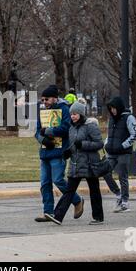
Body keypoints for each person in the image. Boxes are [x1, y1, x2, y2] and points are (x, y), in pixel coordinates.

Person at [45, 102, 105, 225]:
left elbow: (99, 144)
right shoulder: (71, 128)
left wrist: (83, 144)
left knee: (94, 190)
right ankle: (58, 216)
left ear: (81, 114)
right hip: (76, 164)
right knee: (69, 191)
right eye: (71, 114)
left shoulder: (90, 126)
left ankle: (98, 217)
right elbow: (73, 145)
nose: (73, 116)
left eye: (75, 114)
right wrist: (67, 152)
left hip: (90, 164)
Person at [34, 85, 84, 222]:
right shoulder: (42, 110)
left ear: (55, 98)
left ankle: (77, 200)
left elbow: (66, 128)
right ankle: (48, 212)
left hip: (58, 151)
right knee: (45, 183)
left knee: (58, 180)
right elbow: (37, 130)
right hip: (45, 151)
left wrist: (49, 131)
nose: (44, 102)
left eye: (47, 99)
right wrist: (42, 138)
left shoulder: (64, 109)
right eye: (42, 99)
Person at [103, 97, 136, 213]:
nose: (112, 110)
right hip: (112, 152)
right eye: (111, 108)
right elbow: (110, 134)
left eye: (114, 108)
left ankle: (125, 201)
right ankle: (118, 194)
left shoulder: (129, 118)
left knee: (122, 176)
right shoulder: (111, 119)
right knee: (105, 172)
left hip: (123, 152)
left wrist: (123, 145)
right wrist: (107, 144)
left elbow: (134, 135)